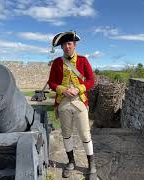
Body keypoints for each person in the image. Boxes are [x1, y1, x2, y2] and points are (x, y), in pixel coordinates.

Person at [48, 31, 96, 178]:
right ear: (61, 47)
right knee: (66, 134)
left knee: (85, 134)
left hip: (80, 102)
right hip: (63, 102)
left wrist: (79, 88)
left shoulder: (82, 60)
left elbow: (91, 80)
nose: (67, 47)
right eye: (64, 45)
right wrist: (62, 89)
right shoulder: (57, 62)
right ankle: (70, 162)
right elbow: (51, 82)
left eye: (69, 44)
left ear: (74, 45)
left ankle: (91, 166)